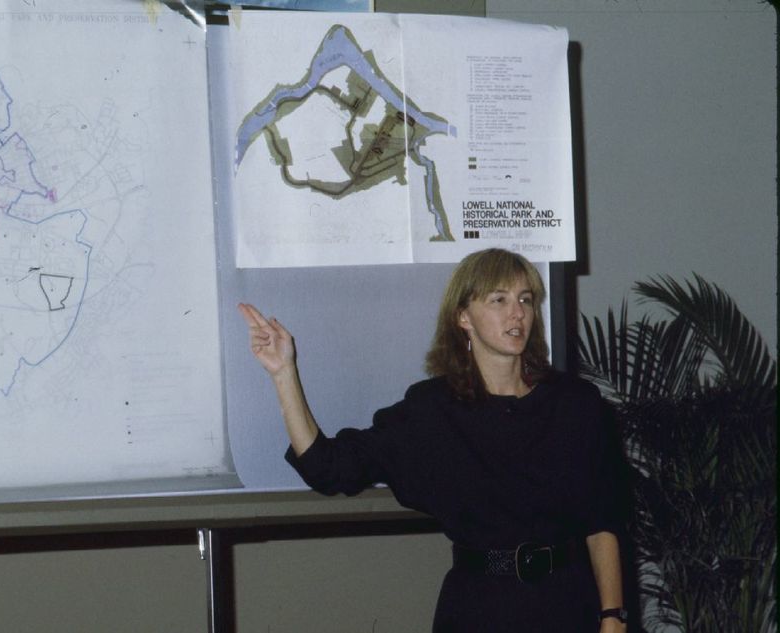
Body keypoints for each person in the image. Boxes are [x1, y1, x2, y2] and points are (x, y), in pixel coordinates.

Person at [238, 248, 628, 632]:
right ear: (463, 317)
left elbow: (602, 519)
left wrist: (613, 615)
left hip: (569, 605)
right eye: (499, 300)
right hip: (479, 611)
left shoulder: (575, 404)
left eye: (525, 299)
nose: (517, 313)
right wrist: (284, 373)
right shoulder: (432, 410)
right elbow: (326, 466)